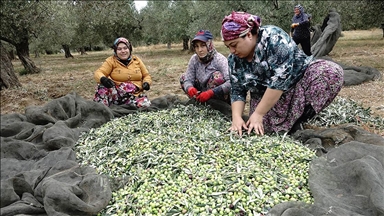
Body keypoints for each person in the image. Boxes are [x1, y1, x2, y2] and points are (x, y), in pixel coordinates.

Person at [221, 11, 343, 136]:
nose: (232, 51)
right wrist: (236, 118)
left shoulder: (274, 38)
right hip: (266, 98)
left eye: (234, 45)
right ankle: (285, 123)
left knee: (331, 74)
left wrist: (258, 114)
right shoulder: (234, 60)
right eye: (228, 47)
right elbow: (237, 90)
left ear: (248, 35)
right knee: (263, 130)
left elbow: (279, 81)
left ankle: (298, 120)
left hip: (298, 83)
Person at [93, 37, 152, 108]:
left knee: (145, 105)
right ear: (115, 50)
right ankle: (103, 110)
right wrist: (103, 79)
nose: (123, 51)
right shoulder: (111, 61)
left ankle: (124, 106)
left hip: (134, 95)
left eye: (125, 48)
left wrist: (147, 83)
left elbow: (146, 75)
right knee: (101, 86)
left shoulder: (137, 60)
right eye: (119, 49)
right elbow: (98, 72)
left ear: (129, 49)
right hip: (116, 95)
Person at [180, 30, 231, 104]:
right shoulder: (194, 59)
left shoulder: (220, 59)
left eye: (203, 45)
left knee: (217, 77)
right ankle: (197, 101)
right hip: (200, 92)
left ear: (209, 45)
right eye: (197, 46)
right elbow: (188, 79)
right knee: (183, 78)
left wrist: (211, 93)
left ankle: (216, 104)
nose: (199, 50)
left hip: (216, 95)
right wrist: (190, 88)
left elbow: (230, 82)